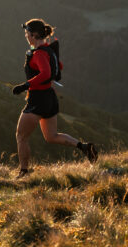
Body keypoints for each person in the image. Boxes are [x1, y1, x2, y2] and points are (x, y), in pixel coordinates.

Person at [12, 19, 97, 176]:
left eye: (27, 33)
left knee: (21, 136)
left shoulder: (38, 54)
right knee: (51, 136)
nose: (25, 35)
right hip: (50, 98)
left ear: (34, 34)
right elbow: (59, 67)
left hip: (37, 100)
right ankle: (84, 147)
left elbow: (46, 73)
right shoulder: (48, 50)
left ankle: (24, 172)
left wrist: (25, 85)